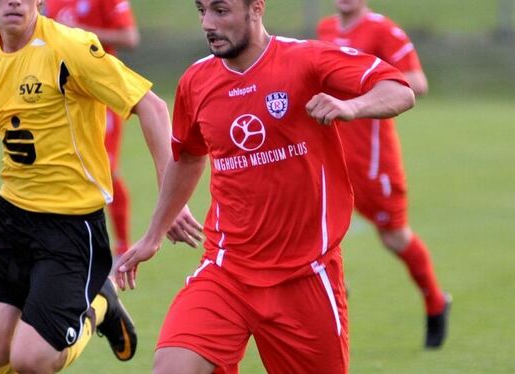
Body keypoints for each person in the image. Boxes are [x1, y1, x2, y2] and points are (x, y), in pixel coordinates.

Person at [115, 0, 415, 372]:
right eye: (201, 10)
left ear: (256, 9)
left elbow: (400, 87)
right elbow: (189, 157)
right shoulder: (196, 81)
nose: (208, 23)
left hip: (305, 277)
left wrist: (353, 107)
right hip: (227, 272)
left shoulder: (305, 60)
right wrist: (153, 234)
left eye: (221, 11)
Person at [0, 0, 201, 373]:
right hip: (10, 218)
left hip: (71, 226)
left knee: (31, 360)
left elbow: (152, 106)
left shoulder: (70, 48)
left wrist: (168, 193)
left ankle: (98, 306)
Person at [317, 0, 451, 349]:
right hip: (330, 155)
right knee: (316, 232)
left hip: (373, 162)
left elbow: (417, 83)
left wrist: (360, 88)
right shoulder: (325, 30)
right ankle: (327, 302)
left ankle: (436, 302)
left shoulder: (383, 30)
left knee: (394, 238)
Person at [43, 0, 141, 263]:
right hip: (62, 99)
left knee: (105, 169)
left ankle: (122, 248)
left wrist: (79, 31)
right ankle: (71, 249)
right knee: (64, 168)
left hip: (100, 95)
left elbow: (130, 37)